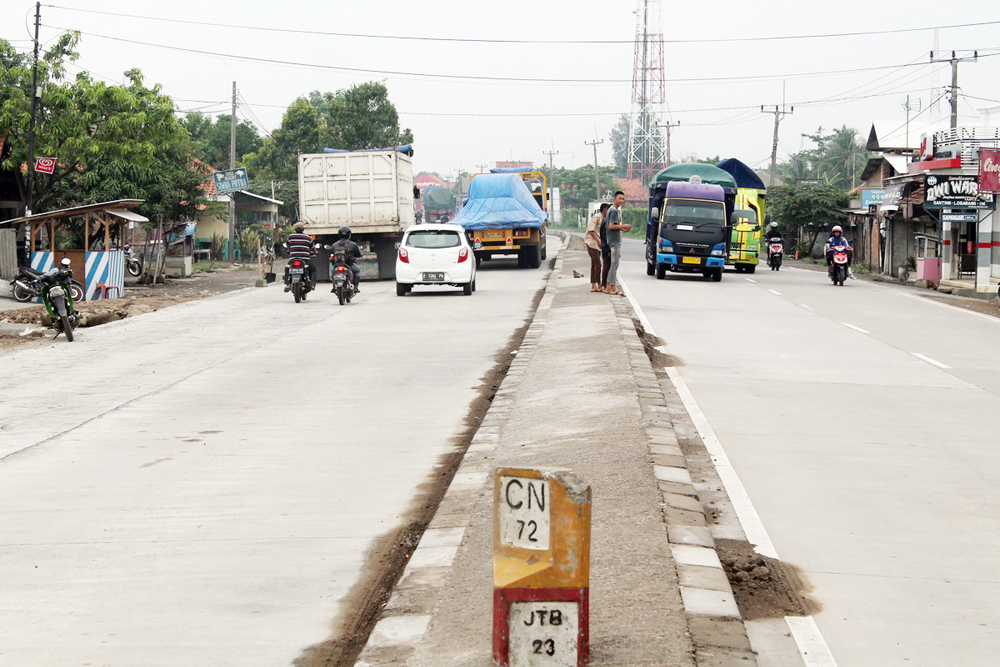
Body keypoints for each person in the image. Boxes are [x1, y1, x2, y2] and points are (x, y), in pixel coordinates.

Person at [603, 191, 630, 295]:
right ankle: (612, 287)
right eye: (619, 198)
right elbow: (611, 226)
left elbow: (615, 225)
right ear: (614, 198)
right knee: (614, 265)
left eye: (623, 199)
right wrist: (624, 226)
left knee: (613, 264)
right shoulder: (614, 211)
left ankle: (609, 286)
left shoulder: (613, 210)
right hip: (614, 241)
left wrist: (622, 229)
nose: (621, 201)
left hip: (613, 239)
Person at [330, 225, 363, 292]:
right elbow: (358, 254)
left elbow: (331, 255)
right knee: (357, 270)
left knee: (332, 271)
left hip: (337, 265)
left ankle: (334, 286)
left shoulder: (334, 245)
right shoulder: (352, 244)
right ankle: (356, 287)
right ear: (349, 234)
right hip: (349, 265)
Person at [284, 222, 316, 291]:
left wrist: (290, 251)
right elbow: (313, 248)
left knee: (287, 269)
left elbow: (288, 246)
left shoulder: (290, 237)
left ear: (295, 229)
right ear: (303, 229)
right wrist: (315, 252)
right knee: (313, 270)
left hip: (293, 259)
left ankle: (288, 284)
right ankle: (312, 284)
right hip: (305, 260)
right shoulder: (308, 237)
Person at [585, 204, 608, 292]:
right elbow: (591, 230)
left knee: (594, 264)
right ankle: (599, 284)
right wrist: (598, 241)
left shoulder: (603, 218)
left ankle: (594, 285)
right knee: (598, 264)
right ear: (604, 210)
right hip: (592, 243)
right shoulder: (597, 217)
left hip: (597, 244)